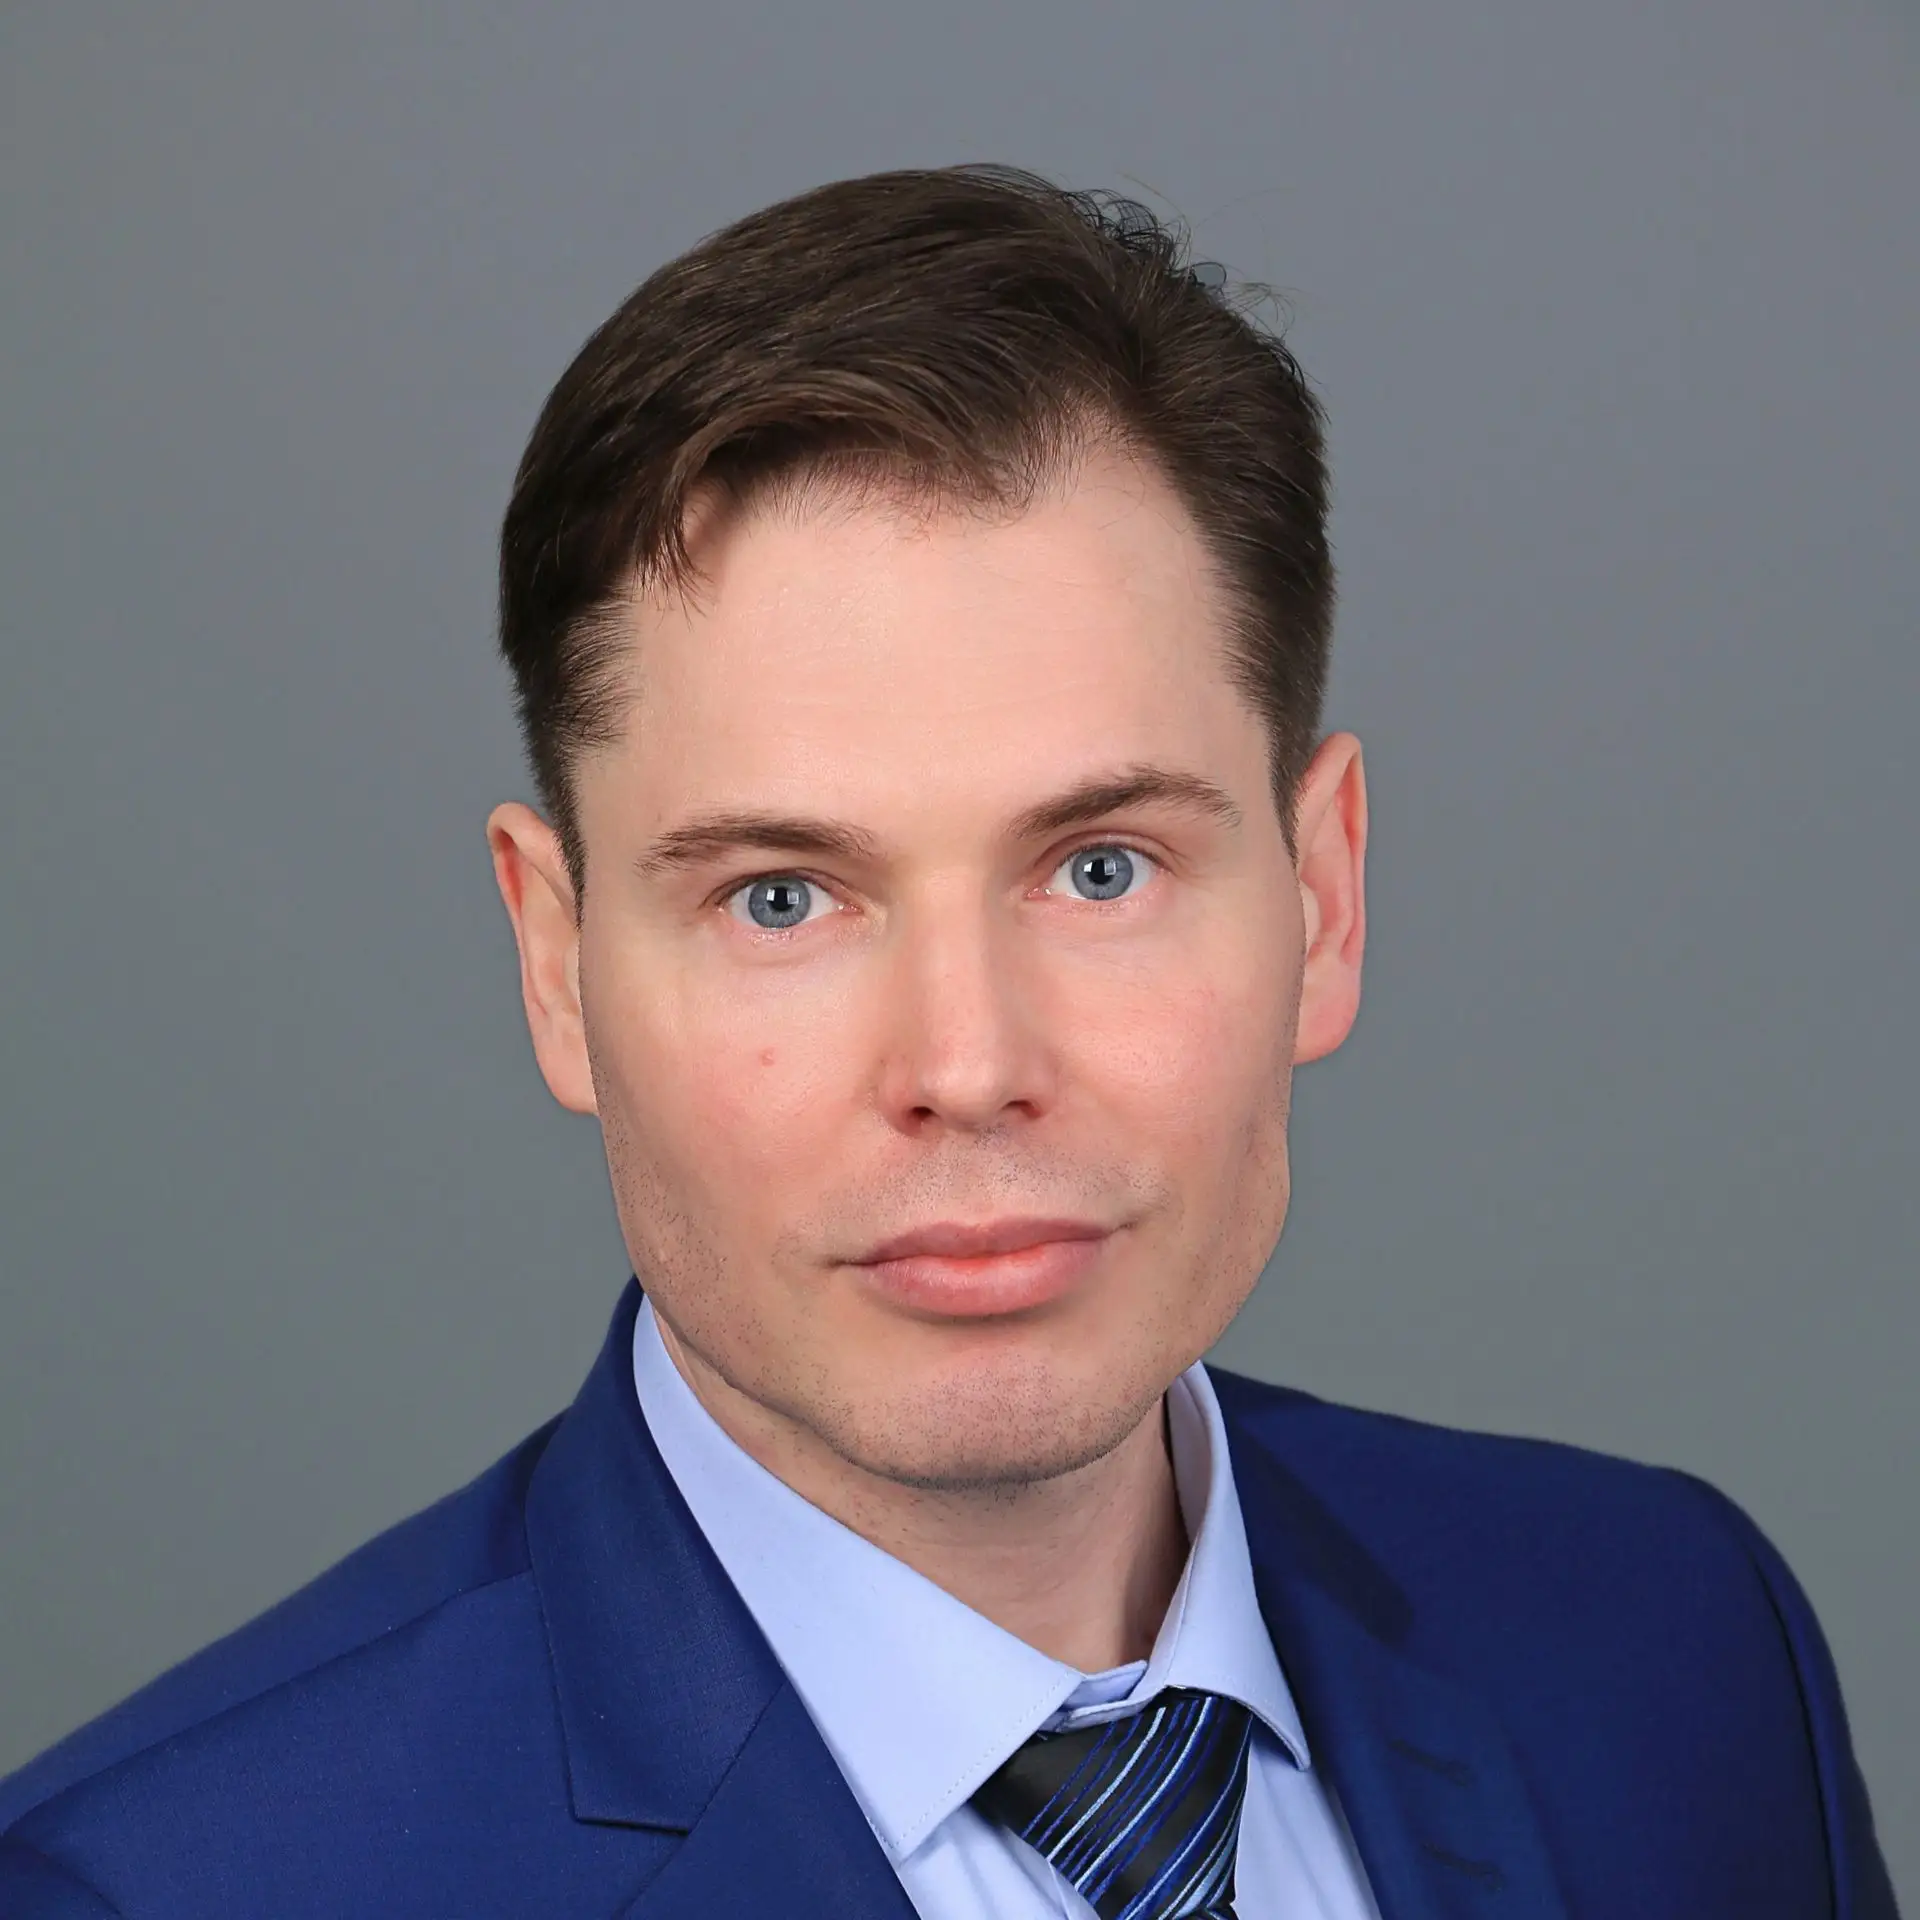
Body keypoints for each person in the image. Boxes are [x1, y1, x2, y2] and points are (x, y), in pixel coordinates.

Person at [0, 164, 1898, 1920]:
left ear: (1322, 897)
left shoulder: (1678, 1649)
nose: (969, 1063)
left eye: (1099, 869)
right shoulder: (160, 1891)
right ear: (558, 968)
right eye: (781, 897)